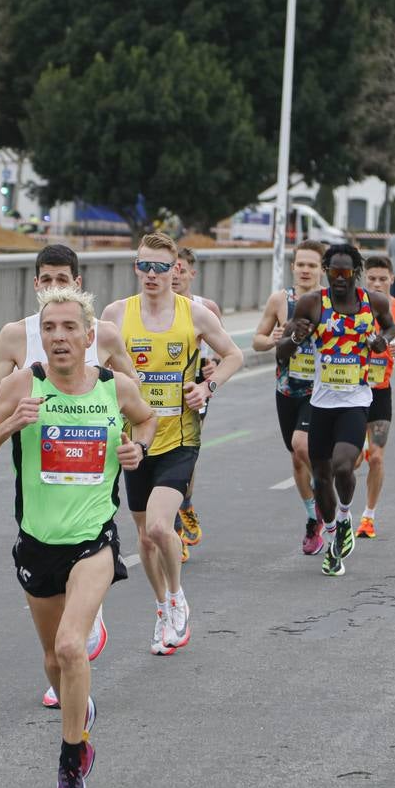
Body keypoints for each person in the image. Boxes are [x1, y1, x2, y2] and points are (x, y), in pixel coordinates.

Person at [0, 286, 156, 788]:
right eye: (49, 328)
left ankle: (71, 766)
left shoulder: (114, 387)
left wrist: (137, 448)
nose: (59, 337)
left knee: (73, 646)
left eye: (70, 327)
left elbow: (146, 418)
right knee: (53, 659)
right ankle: (80, 714)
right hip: (36, 544)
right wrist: (11, 423)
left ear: (89, 336)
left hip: (93, 541)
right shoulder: (23, 385)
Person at [0, 244, 132, 709]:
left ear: (77, 283)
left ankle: (85, 621)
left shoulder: (102, 333)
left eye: (62, 279)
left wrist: (130, 439)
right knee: (54, 654)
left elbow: (131, 393)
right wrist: (6, 414)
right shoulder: (15, 337)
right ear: (35, 284)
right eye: (46, 279)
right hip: (40, 512)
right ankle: (72, 682)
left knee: (69, 644)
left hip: (91, 509)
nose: (53, 287)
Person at [100, 233, 243, 653]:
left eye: (161, 267)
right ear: (136, 267)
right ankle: (162, 608)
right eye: (144, 265)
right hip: (134, 441)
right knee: (145, 538)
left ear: (175, 269)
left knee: (161, 526)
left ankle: (178, 598)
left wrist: (208, 387)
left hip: (180, 437)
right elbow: (96, 366)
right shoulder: (116, 314)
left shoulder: (194, 314)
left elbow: (234, 355)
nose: (152, 274)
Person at [278, 244, 395, 575]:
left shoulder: (374, 302)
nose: (340, 278)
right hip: (321, 403)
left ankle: (344, 516)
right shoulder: (312, 303)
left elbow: (389, 326)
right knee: (321, 478)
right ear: (327, 271)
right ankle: (332, 537)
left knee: (344, 466)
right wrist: (297, 339)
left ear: (355, 273)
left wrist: (383, 341)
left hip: (355, 401)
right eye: (334, 271)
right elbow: (281, 353)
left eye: (346, 272)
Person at [251, 240, 326, 555]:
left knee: (301, 444)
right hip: (287, 388)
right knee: (296, 456)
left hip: (320, 390)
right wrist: (272, 339)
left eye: (312, 265)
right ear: (293, 267)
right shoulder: (280, 300)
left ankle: (325, 490)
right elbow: (256, 340)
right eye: (301, 264)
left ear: (321, 269)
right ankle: (313, 518)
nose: (306, 270)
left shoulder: (330, 301)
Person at [356, 255, 395, 539]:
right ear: (364, 279)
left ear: (392, 280)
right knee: (351, 460)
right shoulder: (351, 307)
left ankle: (368, 517)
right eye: (372, 278)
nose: (377, 284)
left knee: (377, 458)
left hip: (380, 394)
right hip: (350, 393)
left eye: (383, 279)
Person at [171, 246, 223, 553]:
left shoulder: (206, 308)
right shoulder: (148, 308)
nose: (175, 275)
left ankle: (183, 509)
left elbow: (221, 350)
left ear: (192, 273)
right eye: (171, 268)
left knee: (184, 453)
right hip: (158, 387)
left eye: (181, 269)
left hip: (194, 388)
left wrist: (213, 365)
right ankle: (174, 524)